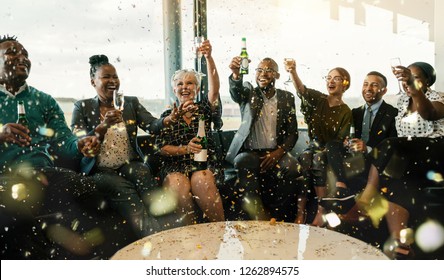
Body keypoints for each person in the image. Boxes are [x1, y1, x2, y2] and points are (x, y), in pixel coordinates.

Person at [0, 35, 101, 259]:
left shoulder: (43, 100)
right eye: (12, 52)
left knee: (90, 188)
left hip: (43, 173)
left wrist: (81, 144)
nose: (22, 58)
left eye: (25, 54)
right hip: (3, 177)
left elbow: (64, 141)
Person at [71, 54, 187, 237]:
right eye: (106, 77)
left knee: (143, 174)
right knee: (122, 188)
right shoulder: (82, 107)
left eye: (115, 76)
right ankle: (155, 238)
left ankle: (172, 231)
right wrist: (103, 126)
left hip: (128, 164)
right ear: (93, 82)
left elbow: (151, 125)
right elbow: (79, 141)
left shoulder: (130, 103)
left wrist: (169, 119)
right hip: (99, 170)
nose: (113, 81)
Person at [357, 62, 444, 259]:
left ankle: (367, 194)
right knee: (396, 181)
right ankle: (400, 243)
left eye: (415, 77)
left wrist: (414, 87)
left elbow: (429, 114)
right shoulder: (402, 102)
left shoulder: (437, 97)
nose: (408, 81)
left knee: (390, 144)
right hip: (412, 161)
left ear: (427, 81)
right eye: (406, 77)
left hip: (436, 152)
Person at [155, 39, 225, 225]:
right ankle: (191, 235)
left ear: (198, 88)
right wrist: (185, 149)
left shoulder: (204, 108)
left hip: (204, 164)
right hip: (175, 165)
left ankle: (219, 230)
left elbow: (215, 90)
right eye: (180, 84)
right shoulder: (167, 116)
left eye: (190, 83)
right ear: (174, 89)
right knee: (177, 184)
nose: (184, 87)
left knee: (201, 179)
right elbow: (161, 149)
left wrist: (209, 58)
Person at [226, 57, 302, 222]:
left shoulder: (287, 98)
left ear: (277, 76)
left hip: (276, 152)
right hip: (251, 152)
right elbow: (236, 91)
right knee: (241, 161)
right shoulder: (248, 92)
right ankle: (259, 214)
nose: (263, 74)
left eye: (268, 70)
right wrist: (236, 74)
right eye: (259, 70)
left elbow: (292, 134)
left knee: (293, 167)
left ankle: (281, 215)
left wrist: (278, 153)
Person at [284, 59, 352, 225]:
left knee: (318, 158)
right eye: (328, 77)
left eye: (336, 78)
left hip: (330, 150)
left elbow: (339, 142)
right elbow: (302, 90)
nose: (330, 81)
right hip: (313, 146)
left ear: (345, 84)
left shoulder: (346, 112)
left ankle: (321, 211)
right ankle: (300, 212)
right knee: (304, 159)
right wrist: (293, 72)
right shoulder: (319, 99)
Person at [323, 71, 398, 215]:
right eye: (365, 84)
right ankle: (341, 186)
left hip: (375, 163)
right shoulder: (355, 112)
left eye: (374, 85)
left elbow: (392, 148)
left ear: (384, 91)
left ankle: (344, 200)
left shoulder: (392, 113)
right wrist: (347, 142)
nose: (368, 88)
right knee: (332, 145)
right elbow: (349, 138)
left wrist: (367, 149)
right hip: (355, 160)